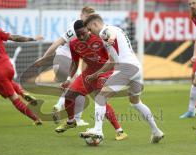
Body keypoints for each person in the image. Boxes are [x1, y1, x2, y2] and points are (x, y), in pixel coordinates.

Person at [79, 14, 164, 143]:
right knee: (135, 102)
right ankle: (156, 131)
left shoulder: (104, 31)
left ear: (95, 24)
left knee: (100, 97)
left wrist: (110, 38)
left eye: (90, 28)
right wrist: (95, 75)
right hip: (136, 68)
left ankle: (97, 130)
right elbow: (112, 61)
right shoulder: (117, 29)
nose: (90, 32)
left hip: (126, 69)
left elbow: (109, 34)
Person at [55, 20, 128, 141]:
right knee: (68, 95)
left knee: (100, 100)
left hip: (105, 71)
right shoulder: (73, 44)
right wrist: (69, 79)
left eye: (83, 33)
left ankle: (119, 131)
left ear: (88, 29)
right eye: (78, 34)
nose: (81, 36)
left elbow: (111, 59)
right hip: (88, 73)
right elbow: (74, 63)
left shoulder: (100, 39)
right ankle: (71, 121)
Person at [35, 6, 96, 126]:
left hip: (61, 61)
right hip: (64, 60)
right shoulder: (78, 30)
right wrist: (44, 58)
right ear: (81, 15)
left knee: (76, 89)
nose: (89, 19)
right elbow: (57, 42)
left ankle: (73, 116)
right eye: (87, 16)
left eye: (91, 16)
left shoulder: (81, 28)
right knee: (79, 86)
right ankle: (63, 108)